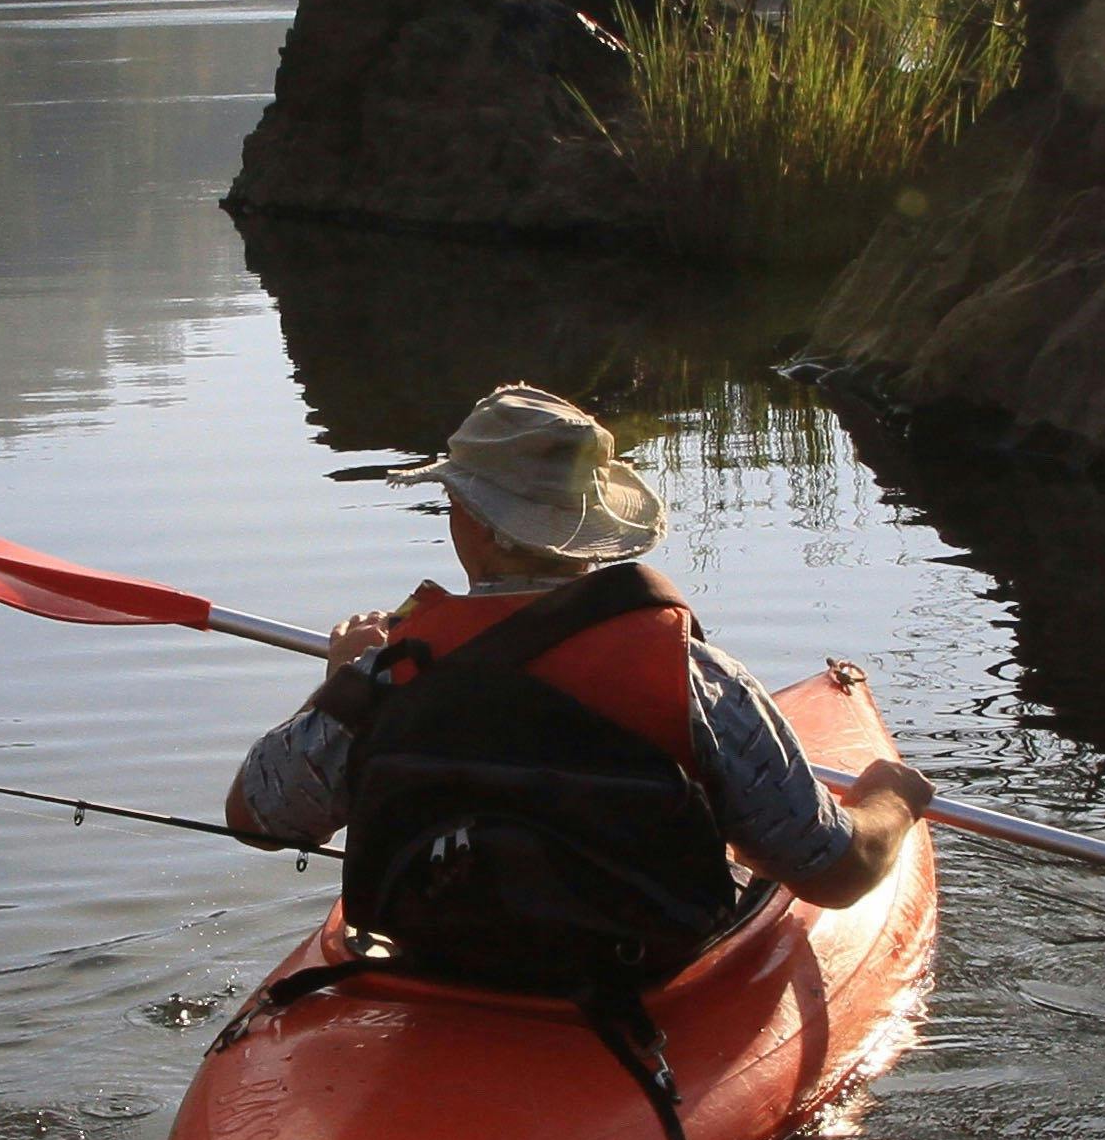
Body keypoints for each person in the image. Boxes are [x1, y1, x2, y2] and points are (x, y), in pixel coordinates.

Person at [224, 382, 934, 989]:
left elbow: (259, 816)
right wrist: (892, 800)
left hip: (445, 966)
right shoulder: (694, 680)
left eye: (455, 500)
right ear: (592, 523)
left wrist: (340, 683)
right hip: (636, 973)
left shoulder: (391, 675)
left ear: (475, 525)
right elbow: (836, 874)